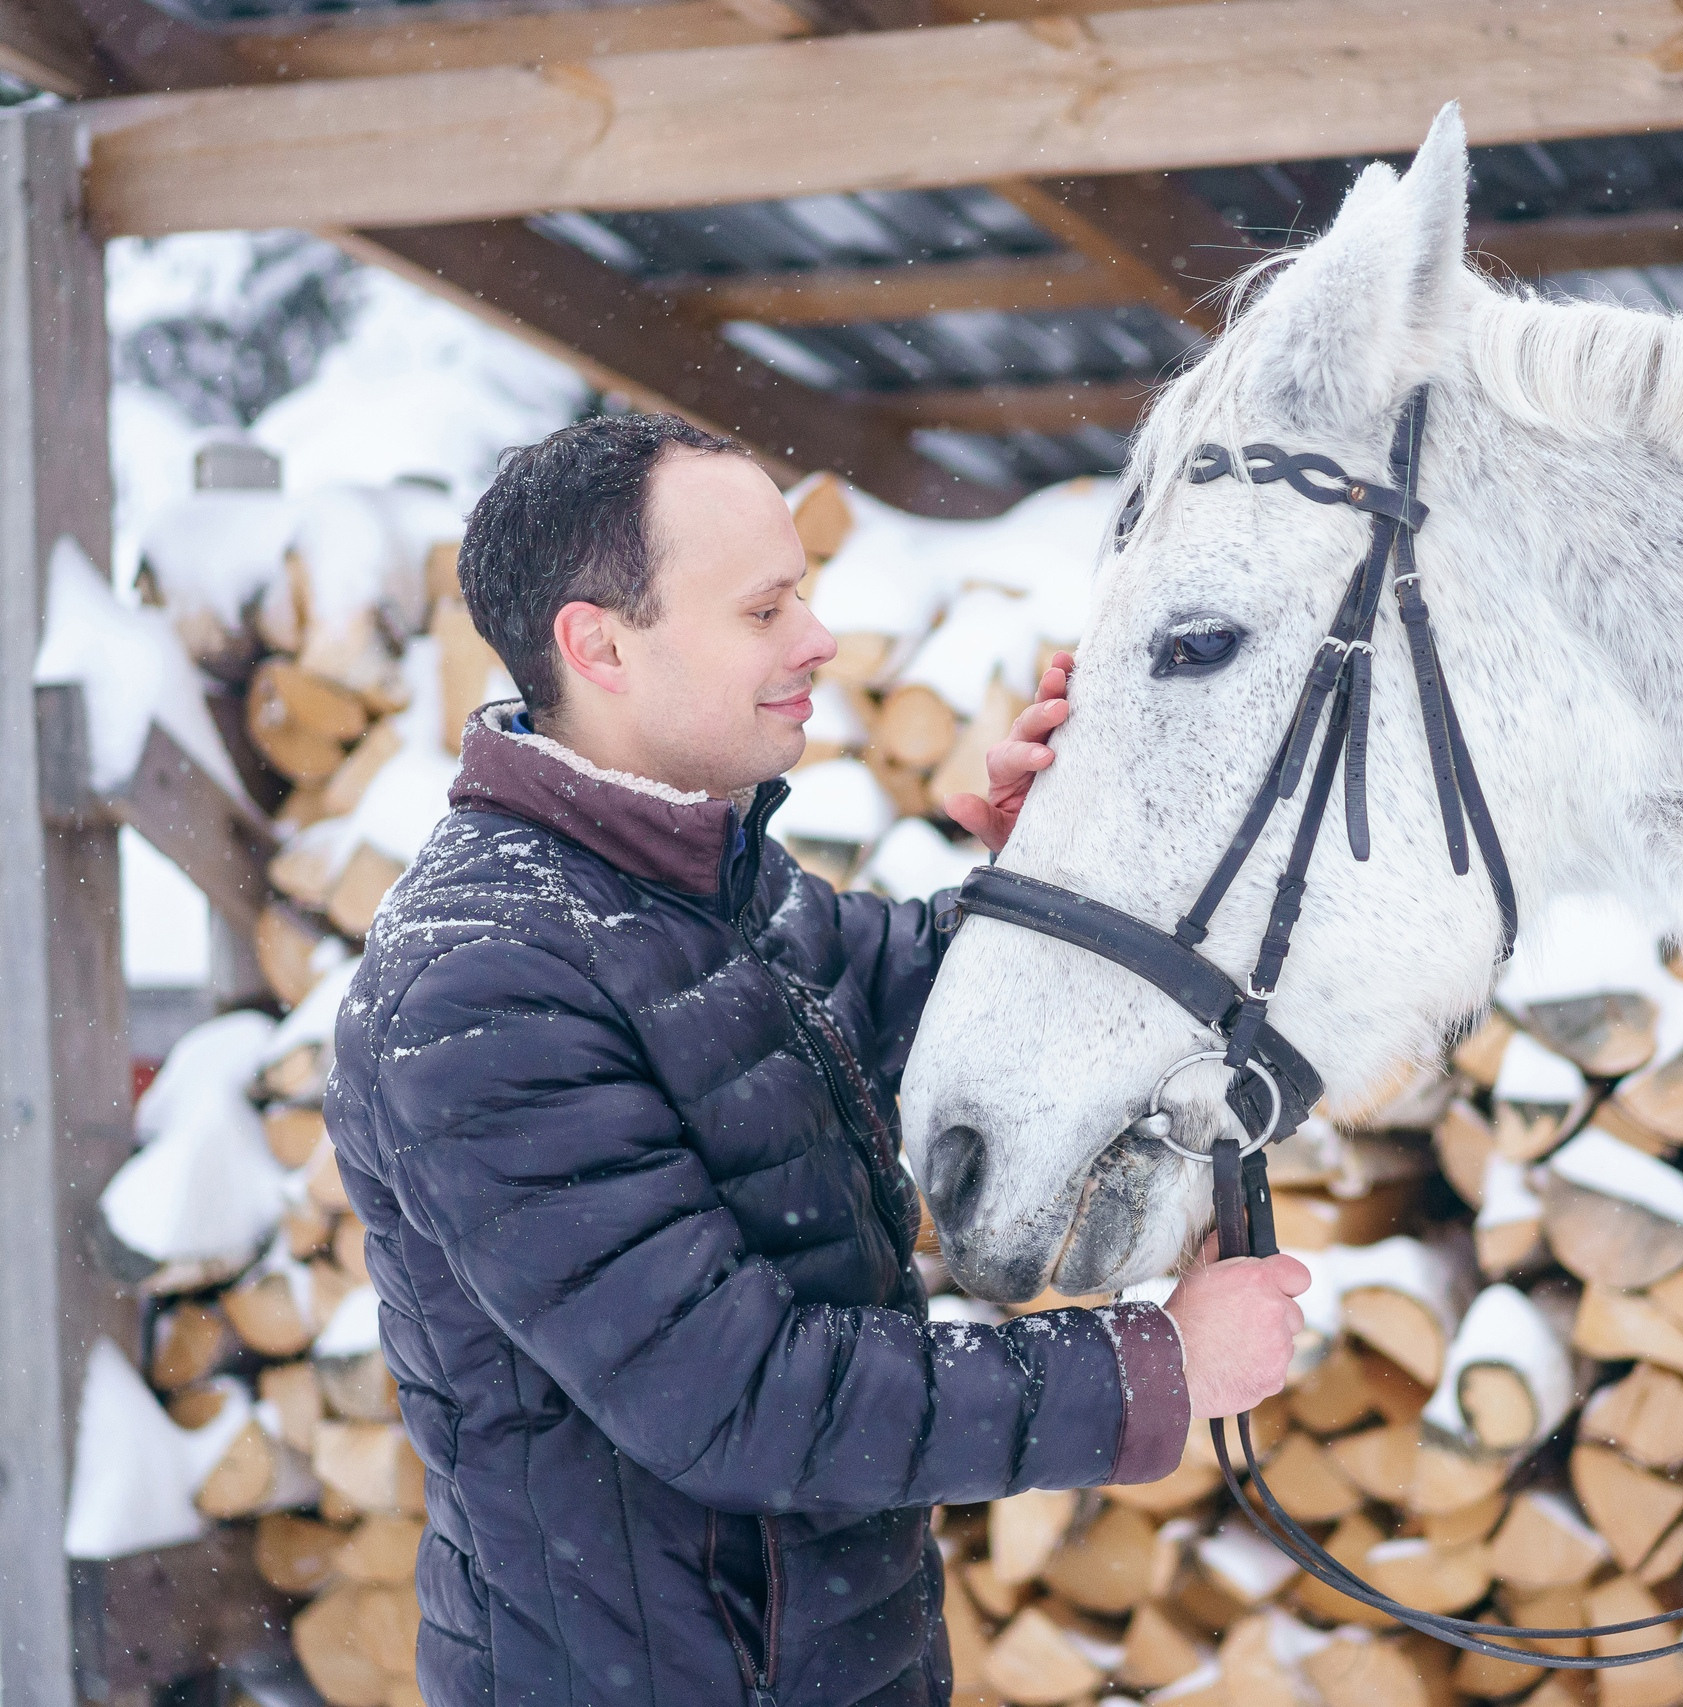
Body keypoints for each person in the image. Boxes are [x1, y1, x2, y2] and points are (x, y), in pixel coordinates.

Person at [323, 413, 1311, 1707]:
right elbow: (740, 1397)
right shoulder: (483, 987)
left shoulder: (699, 885)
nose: (819, 639)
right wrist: (1153, 1369)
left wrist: (1056, 867)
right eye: (764, 607)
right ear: (599, 644)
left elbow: (913, 987)